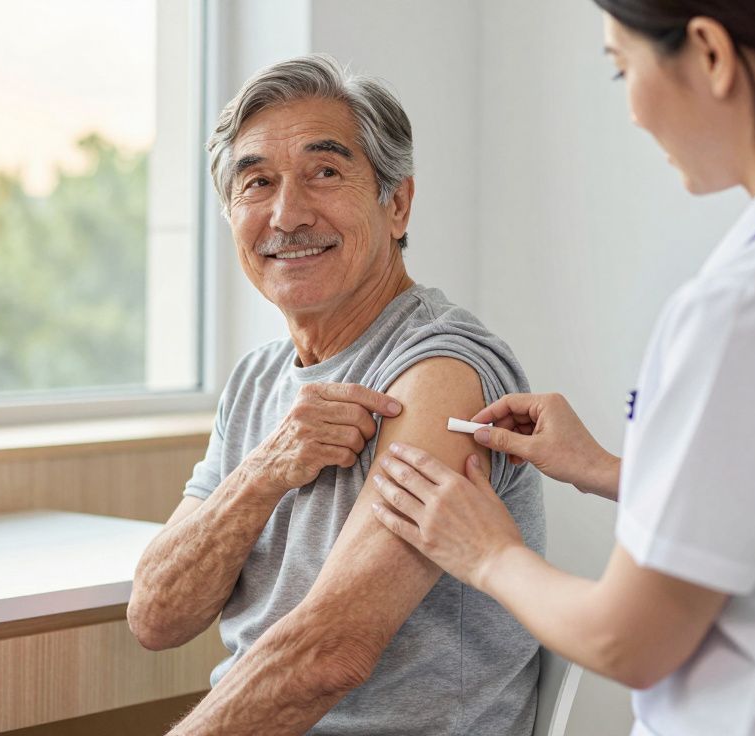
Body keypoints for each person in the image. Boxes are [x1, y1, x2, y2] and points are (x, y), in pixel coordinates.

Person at [370, 2, 755, 734]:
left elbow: (628, 640)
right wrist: (610, 467)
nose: (634, 114)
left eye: (622, 69)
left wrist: (487, 554)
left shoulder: (751, 306)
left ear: (710, 53)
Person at [127, 54, 545, 735]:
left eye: (325, 173)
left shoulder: (441, 371)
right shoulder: (258, 380)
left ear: (398, 203)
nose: (287, 215)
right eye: (256, 182)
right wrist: (264, 471)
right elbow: (155, 615)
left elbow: (331, 654)